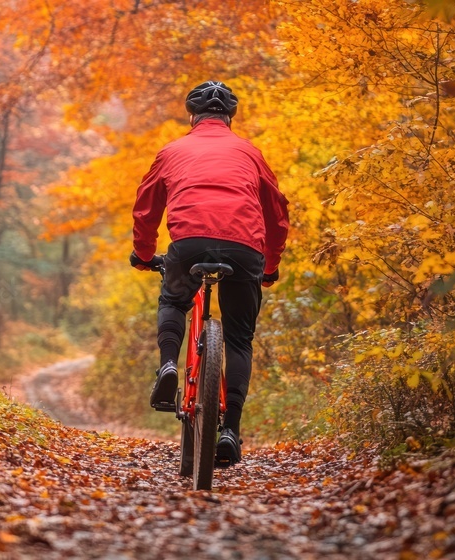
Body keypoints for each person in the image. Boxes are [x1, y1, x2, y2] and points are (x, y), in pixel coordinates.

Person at [129, 80, 289, 465]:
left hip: (189, 244)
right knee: (238, 339)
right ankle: (230, 430)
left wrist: (144, 254)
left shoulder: (172, 150)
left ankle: (168, 363)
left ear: (192, 117)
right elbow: (277, 213)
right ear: (229, 119)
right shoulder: (250, 152)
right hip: (245, 247)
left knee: (173, 299)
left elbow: (146, 208)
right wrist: (269, 265)